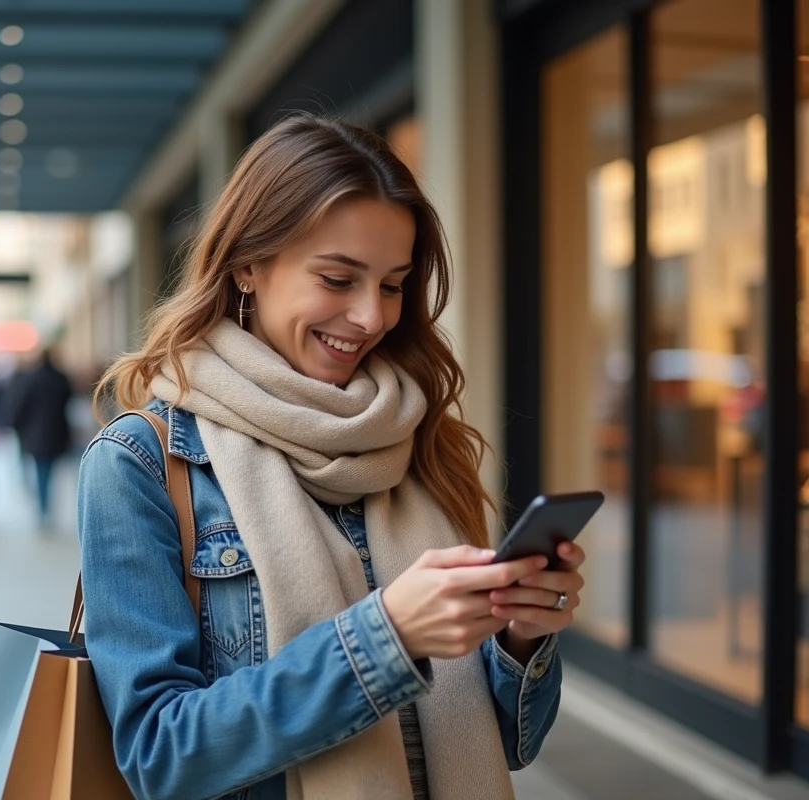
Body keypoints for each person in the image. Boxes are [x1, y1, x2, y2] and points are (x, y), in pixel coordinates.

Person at [78, 114, 585, 799]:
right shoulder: (140, 464)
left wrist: (521, 639)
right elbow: (160, 756)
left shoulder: (420, 443)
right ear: (248, 266)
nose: (373, 317)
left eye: (393, 283)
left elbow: (507, 746)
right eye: (339, 278)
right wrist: (386, 635)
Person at [8, 348, 73, 529]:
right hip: (56, 432)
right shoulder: (60, 378)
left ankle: (43, 510)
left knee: (41, 471)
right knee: (49, 472)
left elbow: (22, 405)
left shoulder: (32, 379)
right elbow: (68, 399)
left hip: (36, 434)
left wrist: (17, 424)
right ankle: (45, 508)